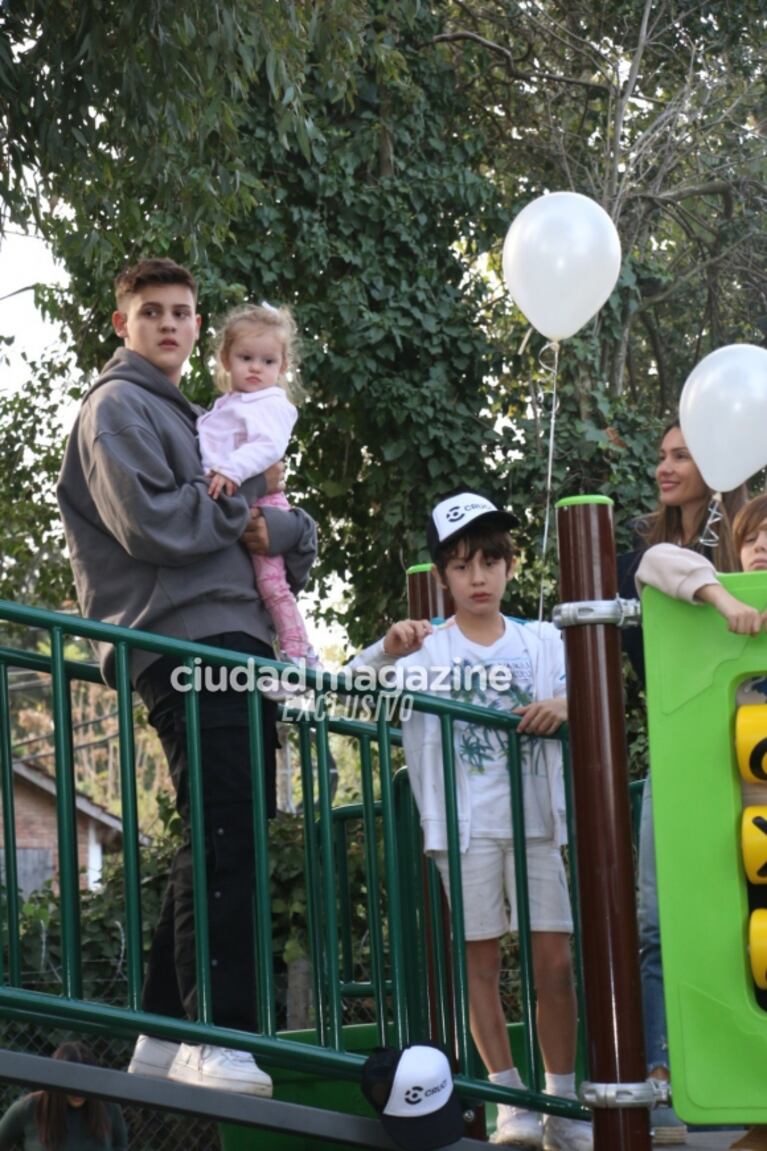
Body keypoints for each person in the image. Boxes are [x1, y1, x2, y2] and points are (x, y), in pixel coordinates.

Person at [56, 258, 317, 1095]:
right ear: (120, 322)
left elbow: (281, 529)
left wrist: (278, 528)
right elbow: (152, 523)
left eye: (183, 312)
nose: (169, 324)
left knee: (224, 822)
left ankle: (164, 1033)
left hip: (235, 637)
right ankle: (220, 1033)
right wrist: (243, 519)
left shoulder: (205, 416)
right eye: (152, 312)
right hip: (184, 644)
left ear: (198, 326)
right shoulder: (117, 407)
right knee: (228, 828)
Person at [353, 489, 591, 1151]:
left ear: (511, 565)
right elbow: (340, 688)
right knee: (479, 961)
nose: (478, 576)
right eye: (461, 565)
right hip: (462, 827)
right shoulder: (424, 651)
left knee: (554, 960)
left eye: (489, 559)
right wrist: (384, 649)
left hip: (537, 820)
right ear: (442, 577)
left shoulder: (541, 640)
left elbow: (592, 692)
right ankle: (508, 1098)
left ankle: (560, 1100)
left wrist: (564, 704)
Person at [617, 421, 742, 1144]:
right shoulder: (645, 548)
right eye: (662, 455)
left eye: (681, 455)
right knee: (658, 919)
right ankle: (663, 1078)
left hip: (748, 744)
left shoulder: (749, 538)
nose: (663, 467)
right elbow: (654, 571)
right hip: (677, 748)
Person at [635, 492, 767, 1151]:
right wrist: (721, 599)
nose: (760, 544)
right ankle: (682, 1082)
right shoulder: (715, 601)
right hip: (722, 817)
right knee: (691, 932)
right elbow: (653, 560)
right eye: (751, 535)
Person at [198, 302, 320, 669]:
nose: (255, 367)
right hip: (235, 500)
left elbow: (269, 447)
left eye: (267, 361)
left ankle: (299, 657)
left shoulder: (272, 403)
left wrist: (232, 472)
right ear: (226, 358)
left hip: (265, 504)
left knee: (272, 586)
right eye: (246, 357)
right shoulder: (226, 405)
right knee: (258, 586)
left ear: (282, 367)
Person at [0, 1041, 127, 1150]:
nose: (79, 1092)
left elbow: (121, 1147)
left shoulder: (109, 1108)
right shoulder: (29, 1107)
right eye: (72, 1083)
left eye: (85, 1083)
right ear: (57, 1080)